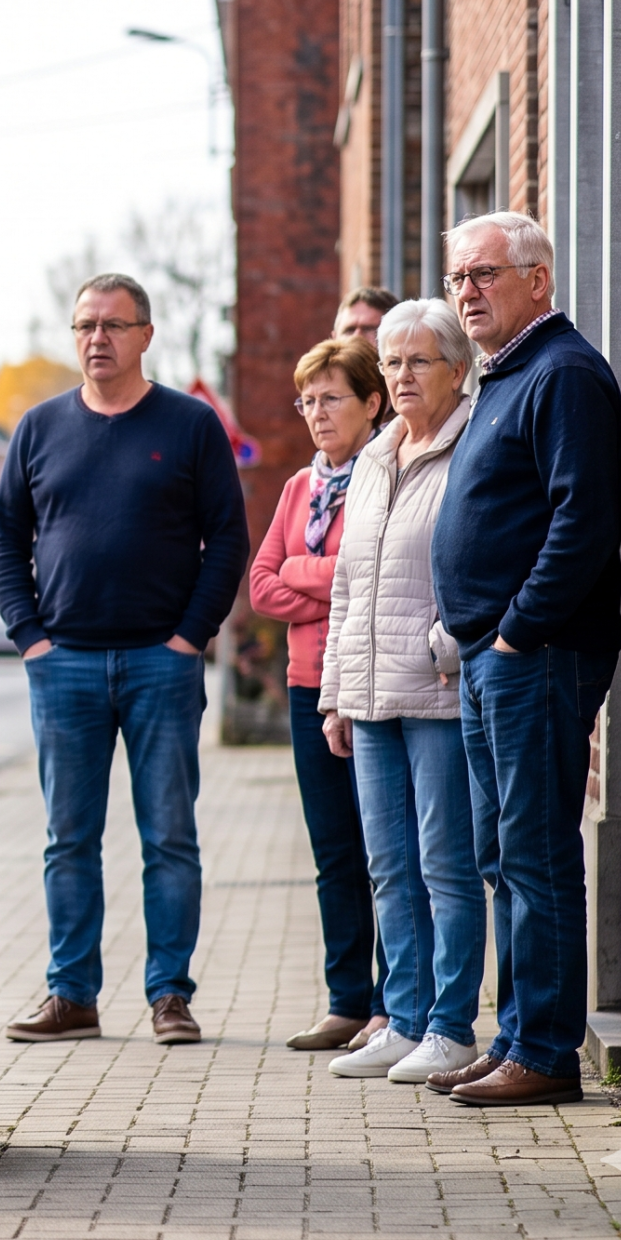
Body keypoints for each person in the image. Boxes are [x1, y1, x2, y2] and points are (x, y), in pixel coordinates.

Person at [0, 272, 250, 1046]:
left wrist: (189, 637)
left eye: (112, 324)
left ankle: (169, 994)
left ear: (145, 334)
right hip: (63, 662)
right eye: (84, 325)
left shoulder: (191, 424)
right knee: (68, 838)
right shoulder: (37, 428)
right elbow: (8, 537)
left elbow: (228, 539)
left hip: (159, 664)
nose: (96, 338)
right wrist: (29, 638)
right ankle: (72, 994)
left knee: (168, 834)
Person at [428, 211, 621, 1107]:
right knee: (503, 853)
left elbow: (582, 519)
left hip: (534, 654)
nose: (467, 292)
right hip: (490, 656)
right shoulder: (506, 374)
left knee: (539, 853)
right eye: (457, 278)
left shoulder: (566, 373)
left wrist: (515, 630)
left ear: (538, 280)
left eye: (485, 275)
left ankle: (547, 1052)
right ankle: (516, 1033)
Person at [317, 301, 484, 1086]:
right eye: (391, 362)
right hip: (371, 695)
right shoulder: (375, 458)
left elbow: (488, 562)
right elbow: (348, 585)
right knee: (388, 864)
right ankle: (405, 1019)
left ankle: (452, 1026)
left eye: (419, 360)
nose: (403, 375)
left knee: (445, 865)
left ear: (457, 367)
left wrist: (445, 645)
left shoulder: (472, 446)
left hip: (437, 691)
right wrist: (335, 693)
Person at [248, 338, 390, 1053]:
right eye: (307, 400)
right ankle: (346, 999)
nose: (316, 413)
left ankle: (393, 1005)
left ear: (371, 402)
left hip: (371, 684)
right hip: (309, 686)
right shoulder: (299, 489)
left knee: (387, 850)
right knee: (334, 850)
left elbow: (374, 576)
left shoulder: (386, 474)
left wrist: (310, 575)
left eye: (331, 397)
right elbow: (261, 583)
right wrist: (324, 579)